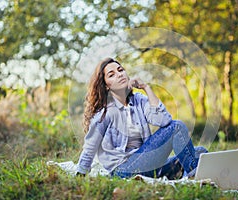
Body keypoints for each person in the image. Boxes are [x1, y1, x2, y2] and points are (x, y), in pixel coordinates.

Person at [76, 57, 207, 179]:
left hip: (145, 163)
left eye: (120, 70)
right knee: (177, 127)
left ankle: (186, 173)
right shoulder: (105, 113)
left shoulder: (138, 100)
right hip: (123, 170)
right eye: (112, 74)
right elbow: (89, 148)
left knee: (200, 152)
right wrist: (80, 175)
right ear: (106, 86)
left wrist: (146, 87)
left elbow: (164, 120)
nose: (119, 74)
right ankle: (194, 176)